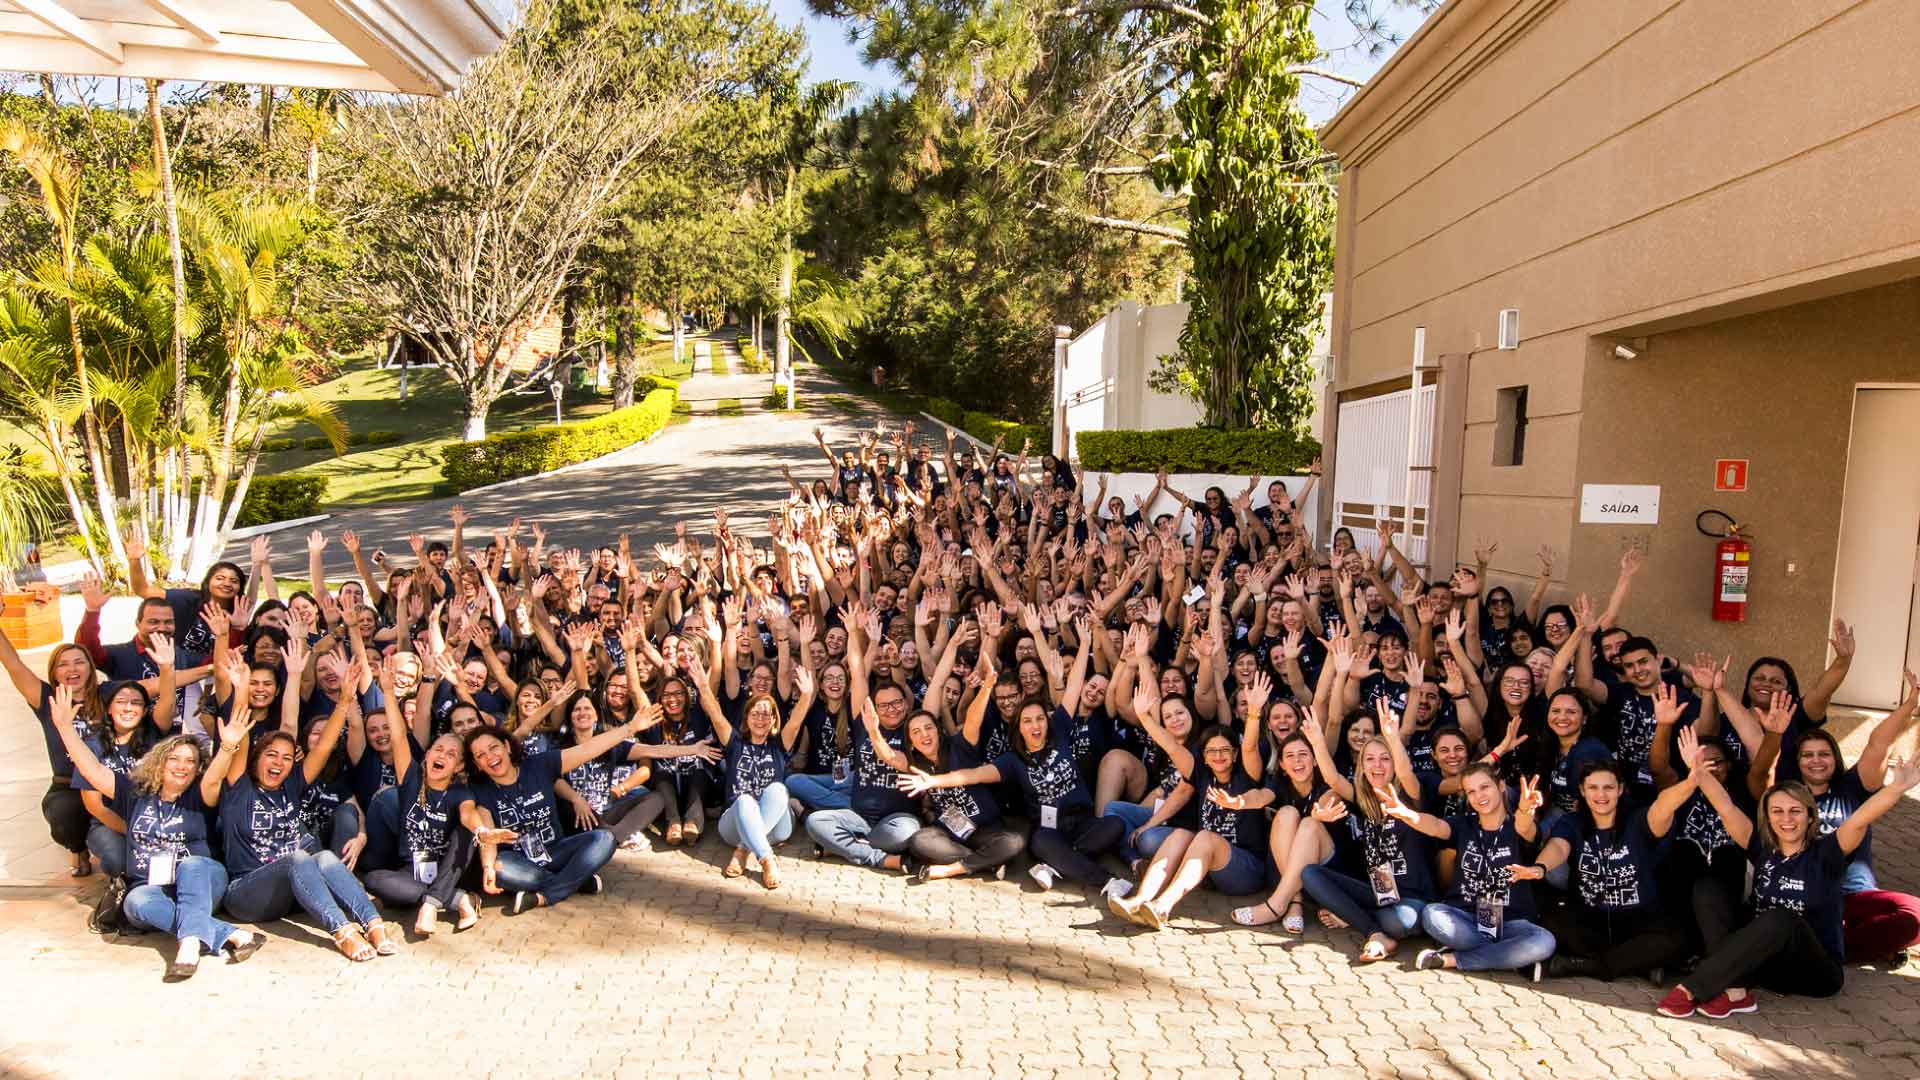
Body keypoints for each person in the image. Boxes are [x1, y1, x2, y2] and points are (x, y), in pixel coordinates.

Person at [1656, 731, 1920, 1017]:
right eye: (1777, 811)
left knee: (1781, 918)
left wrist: (1895, 788)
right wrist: (1699, 772)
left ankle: (1694, 988)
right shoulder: (1761, 846)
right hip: (1762, 961)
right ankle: (1736, 988)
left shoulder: (1828, 853)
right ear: (1767, 816)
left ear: (1810, 815)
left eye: (1795, 811)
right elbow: (1725, 805)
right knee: (1708, 888)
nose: (1786, 819)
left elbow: (1861, 819)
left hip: (1813, 972)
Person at [49, 684, 265, 980]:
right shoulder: (134, 793)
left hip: (202, 882)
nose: (182, 766)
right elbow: (90, 769)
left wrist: (227, 746)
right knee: (135, 902)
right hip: (153, 887)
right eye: (174, 758)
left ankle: (189, 945)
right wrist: (64, 727)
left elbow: (217, 774)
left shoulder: (200, 795)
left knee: (192, 864)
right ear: (159, 762)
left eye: (191, 761)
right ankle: (231, 935)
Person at [215, 654, 395, 963]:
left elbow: (324, 746)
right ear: (256, 758)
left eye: (287, 758)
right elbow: (240, 734)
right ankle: (342, 931)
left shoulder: (291, 784)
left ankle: (372, 923)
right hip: (247, 893)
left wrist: (344, 702)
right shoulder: (238, 787)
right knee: (299, 856)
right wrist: (241, 687)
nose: (279, 763)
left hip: (292, 892)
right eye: (271, 755)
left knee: (323, 856)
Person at [1743, 674, 1920, 964]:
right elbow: (1760, 772)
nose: (1816, 760)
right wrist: (1774, 734)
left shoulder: (1852, 787)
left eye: (1824, 754)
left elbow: (1878, 742)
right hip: (1799, 896)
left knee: (1913, 915)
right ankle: (1850, 943)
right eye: (1807, 755)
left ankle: (1828, 945)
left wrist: (1909, 705)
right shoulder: (1787, 793)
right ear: (1797, 762)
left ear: (1836, 759)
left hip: (1850, 894)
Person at [902, 696, 1129, 901]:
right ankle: (1108, 881)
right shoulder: (1012, 761)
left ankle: (1053, 864)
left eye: (1040, 718)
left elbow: (1073, 689)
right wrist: (933, 781)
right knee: (1041, 843)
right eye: (1027, 721)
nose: (1035, 725)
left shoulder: (1058, 733)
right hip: (1050, 830)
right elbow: (972, 775)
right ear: (1019, 728)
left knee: (1115, 824)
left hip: (1082, 822)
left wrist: (1087, 648)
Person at [462, 707, 656, 914]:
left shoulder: (539, 765)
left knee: (604, 839)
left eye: (494, 748)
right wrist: (488, 868)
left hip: (556, 850)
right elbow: (488, 835)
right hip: (518, 859)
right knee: (500, 869)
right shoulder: (480, 790)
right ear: (477, 764)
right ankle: (576, 881)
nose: (490, 757)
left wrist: (630, 728)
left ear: (507, 746)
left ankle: (544, 895)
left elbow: (588, 749)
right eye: (480, 755)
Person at [1375, 765, 1556, 977]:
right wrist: (1407, 814)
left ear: (1500, 786)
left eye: (1484, 787)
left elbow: (1526, 827)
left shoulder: (1515, 827)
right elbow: (1435, 825)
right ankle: (1509, 956)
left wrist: (1525, 810)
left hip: (1511, 922)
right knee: (1432, 914)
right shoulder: (1464, 825)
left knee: (1544, 941)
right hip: (1465, 919)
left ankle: (1450, 959)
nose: (1479, 796)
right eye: (1471, 791)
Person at [1524, 756, 1693, 982]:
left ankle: (1582, 965)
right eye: (1593, 787)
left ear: (1620, 789)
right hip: (1590, 920)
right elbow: (1558, 847)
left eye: (1608, 788)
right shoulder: (1573, 822)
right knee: (1549, 920)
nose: (1601, 795)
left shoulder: (1638, 819)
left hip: (1639, 922)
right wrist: (1540, 867)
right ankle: (1634, 965)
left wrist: (1693, 779)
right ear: (1583, 791)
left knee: (1676, 940)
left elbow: (1664, 805)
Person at [361, 663, 484, 935]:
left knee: (466, 832)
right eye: (438, 749)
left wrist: (482, 830)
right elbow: (398, 736)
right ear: (426, 755)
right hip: (413, 869)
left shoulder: (460, 792)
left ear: (460, 766)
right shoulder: (412, 777)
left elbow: (468, 814)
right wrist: (389, 693)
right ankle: (457, 899)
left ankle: (429, 906)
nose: (442, 755)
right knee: (374, 878)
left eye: (451, 754)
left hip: (449, 868)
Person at [1, 624, 108, 877]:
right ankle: (77, 847)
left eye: (79, 662)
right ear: (54, 672)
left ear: (90, 668)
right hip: (67, 785)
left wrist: (209, 668)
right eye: (63, 664)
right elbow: (13, 663)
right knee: (63, 813)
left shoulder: (108, 694)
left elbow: (152, 686)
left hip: (105, 783)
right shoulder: (46, 698)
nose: (72, 669)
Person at [706, 665, 813, 889]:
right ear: (746, 718)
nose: (761, 718)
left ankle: (744, 849)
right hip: (734, 825)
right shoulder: (735, 743)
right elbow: (715, 715)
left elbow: (795, 722)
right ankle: (767, 859)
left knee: (778, 790)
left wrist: (807, 694)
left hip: (776, 827)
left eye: (767, 714)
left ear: (774, 720)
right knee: (744, 800)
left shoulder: (778, 745)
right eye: (755, 713)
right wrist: (701, 685)